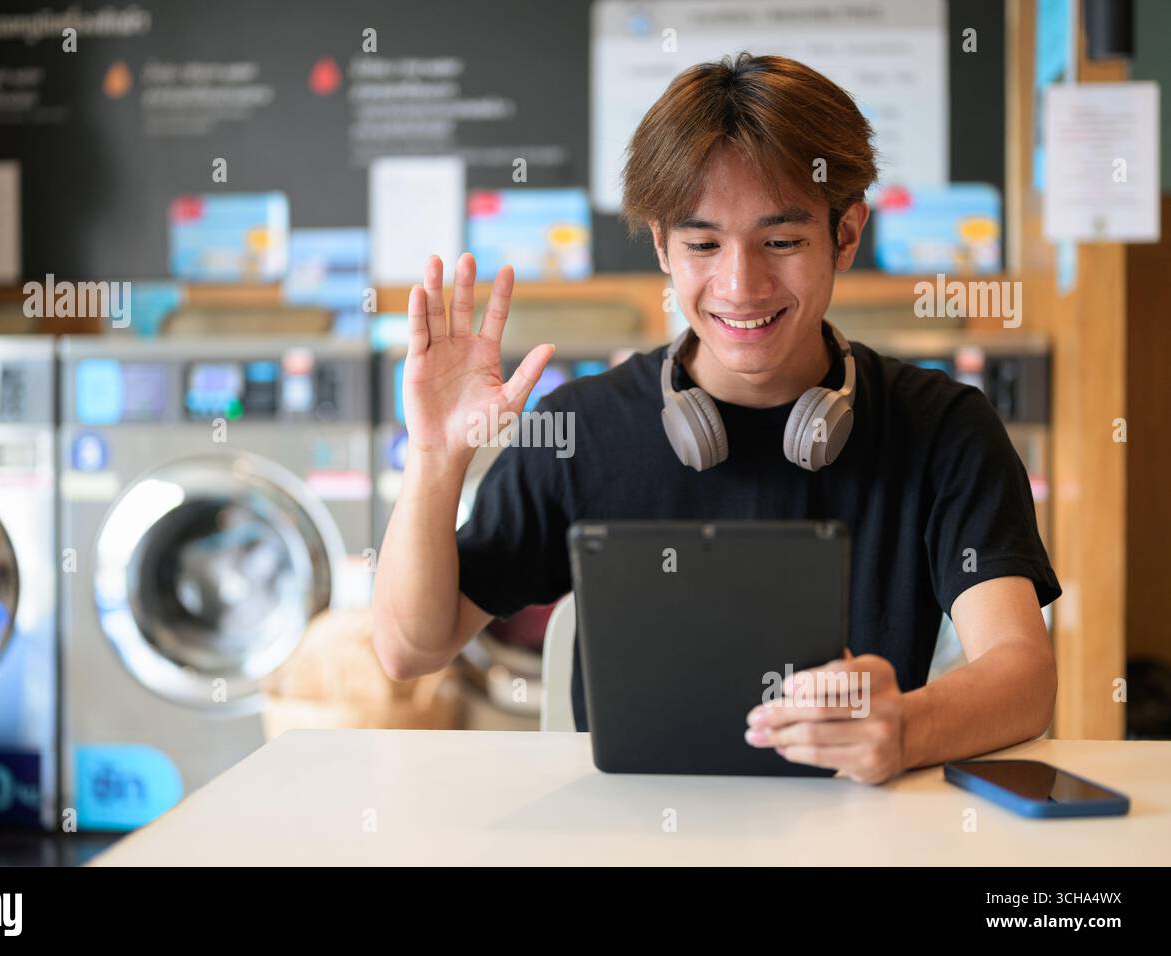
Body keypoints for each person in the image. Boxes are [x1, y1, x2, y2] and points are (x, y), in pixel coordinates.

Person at [372, 53, 1060, 785]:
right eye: (703, 244)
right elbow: (410, 648)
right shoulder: (582, 428)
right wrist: (436, 457)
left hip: (859, 836)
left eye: (782, 241)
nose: (741, 285)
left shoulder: (944, 429)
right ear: (663, 247)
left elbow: (1022, 675)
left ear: (846, 235)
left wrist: (908, 727)